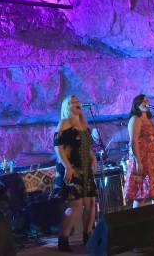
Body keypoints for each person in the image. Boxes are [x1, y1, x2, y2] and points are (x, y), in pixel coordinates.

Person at [51, 95, 97, 252]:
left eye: (78, 101)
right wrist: (68, 167)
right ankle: (63, 238)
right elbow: (58, 147)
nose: (78, 104)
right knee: (76, 204)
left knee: (91, 203)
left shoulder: (83, 123)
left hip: (85, 167)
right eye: (73, 102)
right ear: (67, 107)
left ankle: (88, 235)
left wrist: (93, 158)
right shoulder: (65, 123)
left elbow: (86, 146)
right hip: (72, 167)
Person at [124, 94, 154, 208]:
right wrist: (138, 161)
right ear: (137, 105)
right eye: (143, 101)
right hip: (142, 159)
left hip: (153, 159)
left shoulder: (150, 119)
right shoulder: (135, 119)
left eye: (147, 100)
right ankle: (138, 221)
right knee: (141, 193)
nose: (146, 102)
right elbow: (133, 141)